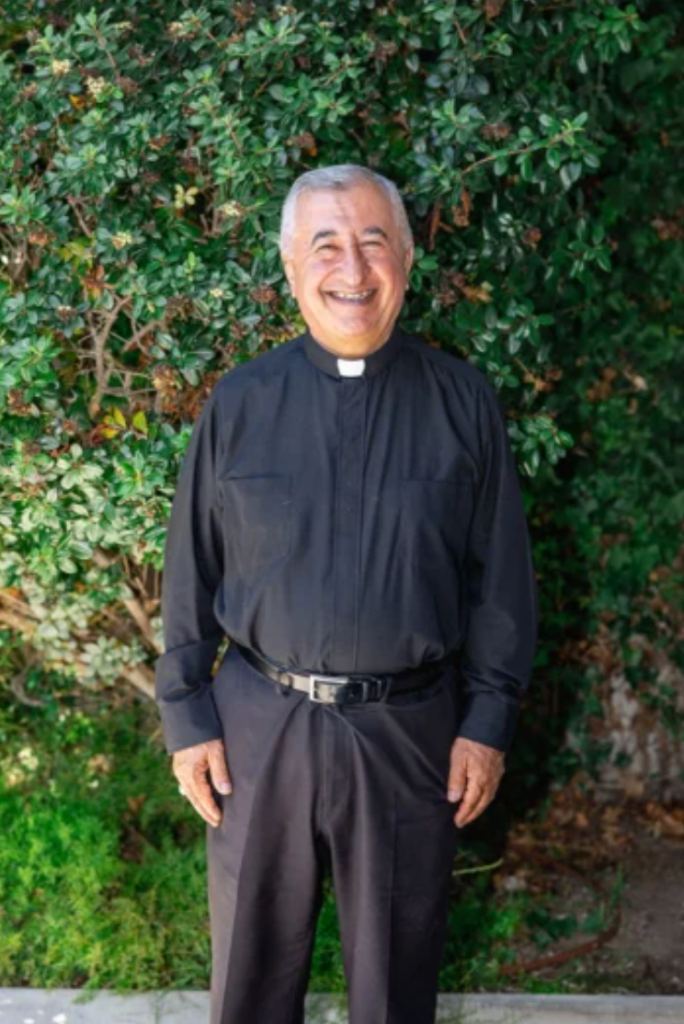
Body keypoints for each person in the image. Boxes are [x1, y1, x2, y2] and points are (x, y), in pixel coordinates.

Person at [154, 163, 539, 1024]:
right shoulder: (240, 402)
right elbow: (190, 569)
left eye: (373, 241)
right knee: (250, 985)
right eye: (326, 245)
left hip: (411, 735)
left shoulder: (463, 402)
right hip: (258, 733)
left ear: (406, 257)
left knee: (395, 989)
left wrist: (486, 723)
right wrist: (186, 717)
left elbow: (502, 585)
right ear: (291, 266)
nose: (352, 270)